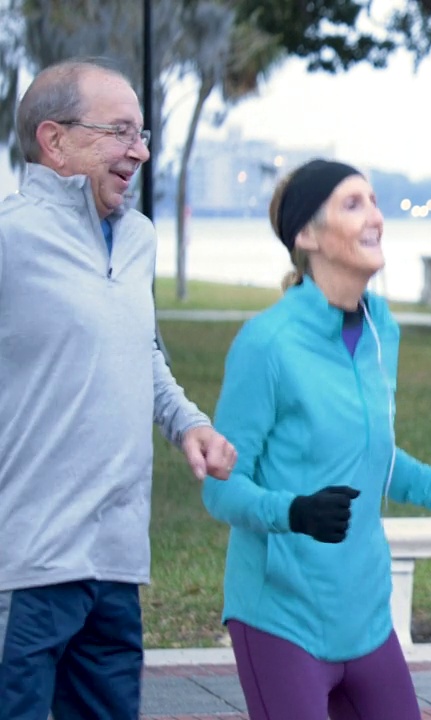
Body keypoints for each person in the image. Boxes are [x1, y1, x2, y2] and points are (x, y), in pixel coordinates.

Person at [202, 159, 431, 720]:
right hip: (281, 616)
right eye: (353, 204)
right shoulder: (267, 344)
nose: (375, 217)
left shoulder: (379, 328)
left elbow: (371, 457)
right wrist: (293, 512)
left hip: (367, 617)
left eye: (373, 201)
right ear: (306, 235)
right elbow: (220, 490)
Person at [0, 58, 236, 720]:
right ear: (54, 140)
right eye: (121, 132)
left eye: (143, 134)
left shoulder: (137, 239)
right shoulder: (9, 240)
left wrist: (189, 423)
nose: (139, 151)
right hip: (27, 566)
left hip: (117, 564)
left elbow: (144, 349)